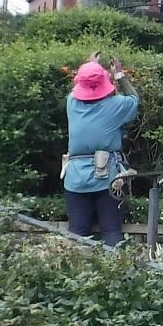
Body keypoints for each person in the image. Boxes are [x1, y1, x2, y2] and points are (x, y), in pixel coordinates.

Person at [62, 52, 139, 246]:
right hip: (108, 178)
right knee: (112, 230)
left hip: (75, 179)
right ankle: (117, 272)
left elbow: (79, 88)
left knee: (77, 233)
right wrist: (120, 75)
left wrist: (90, 67)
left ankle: (77, 274)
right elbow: (134, 99)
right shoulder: (116, 106)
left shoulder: (72, 103)